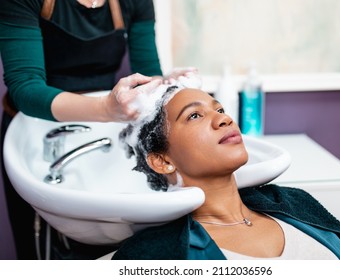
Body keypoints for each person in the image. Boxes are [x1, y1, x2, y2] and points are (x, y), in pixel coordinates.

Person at [0, 0, 194, 259]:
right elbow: (26, 89)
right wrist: (105, 109)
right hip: (35, 135)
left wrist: (164, 84)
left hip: (105, 134)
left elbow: (148, 73)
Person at [113, 76, 340, 260]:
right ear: (162, 160)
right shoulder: (155, 254)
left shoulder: (294, 202)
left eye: (219, 109)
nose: (223, 119)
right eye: (195, 115)